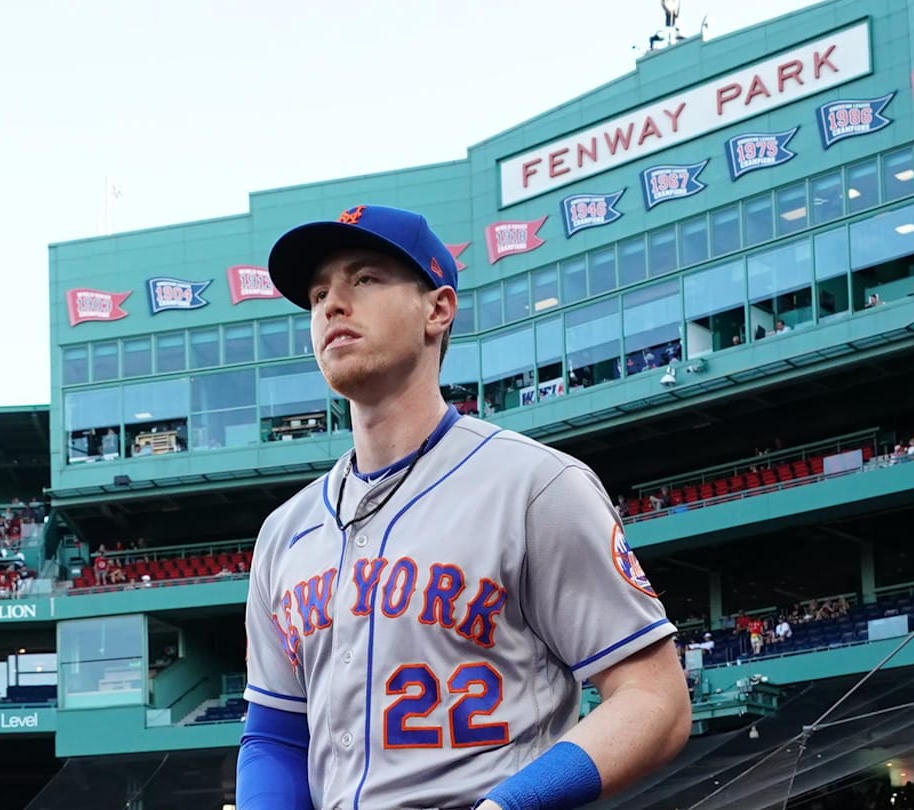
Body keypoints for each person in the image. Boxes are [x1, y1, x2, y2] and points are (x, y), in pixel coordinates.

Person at [238, 205, 690, 810]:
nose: (332, 305)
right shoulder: (284, 533)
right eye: (319, 293)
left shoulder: (534, 485)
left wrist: (511, 806)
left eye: (364, 279)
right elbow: (274, 733)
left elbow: (654, 700)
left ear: (438, 309)